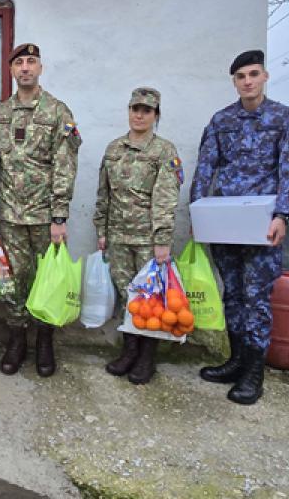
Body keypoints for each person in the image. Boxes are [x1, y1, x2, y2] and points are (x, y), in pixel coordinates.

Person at [189, 49, 289, 405]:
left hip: (262, 223)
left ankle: (254, 373)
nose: (248, 82)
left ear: (265, 76)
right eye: (241, 76)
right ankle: (236, 361)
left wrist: (283, 215)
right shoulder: (222, 120)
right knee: (233, 293)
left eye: (253, 74)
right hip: (225, 221)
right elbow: (205, 167)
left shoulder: (285, 119)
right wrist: (197, 213)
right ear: (234, 81)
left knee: (256, 297)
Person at [0, 43, 81, 377]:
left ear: (40, 68)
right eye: (19, 63)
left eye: (31, 62)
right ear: (12, 70)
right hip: (10, 214)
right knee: (14, 279)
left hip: (45, 216)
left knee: (48, 279)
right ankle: (17, 340)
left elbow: (65, 165)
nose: (25, 68)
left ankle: (45, 341)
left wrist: (59, 216)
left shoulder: (58, 111)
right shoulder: (1, 113)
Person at [95, 87, 182, 385]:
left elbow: (166, 198)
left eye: (147, 110)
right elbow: (104, 193)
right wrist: (101, 230)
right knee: (126, 296)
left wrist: (162, 240)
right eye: (135, 109)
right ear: (129, 111)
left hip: (148, 239)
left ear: (156, 115)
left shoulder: (164, 151)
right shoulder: (114, 149)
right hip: (118, 237)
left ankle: (147, 358)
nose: (140, 115)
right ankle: (129, 351)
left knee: (151, 300)